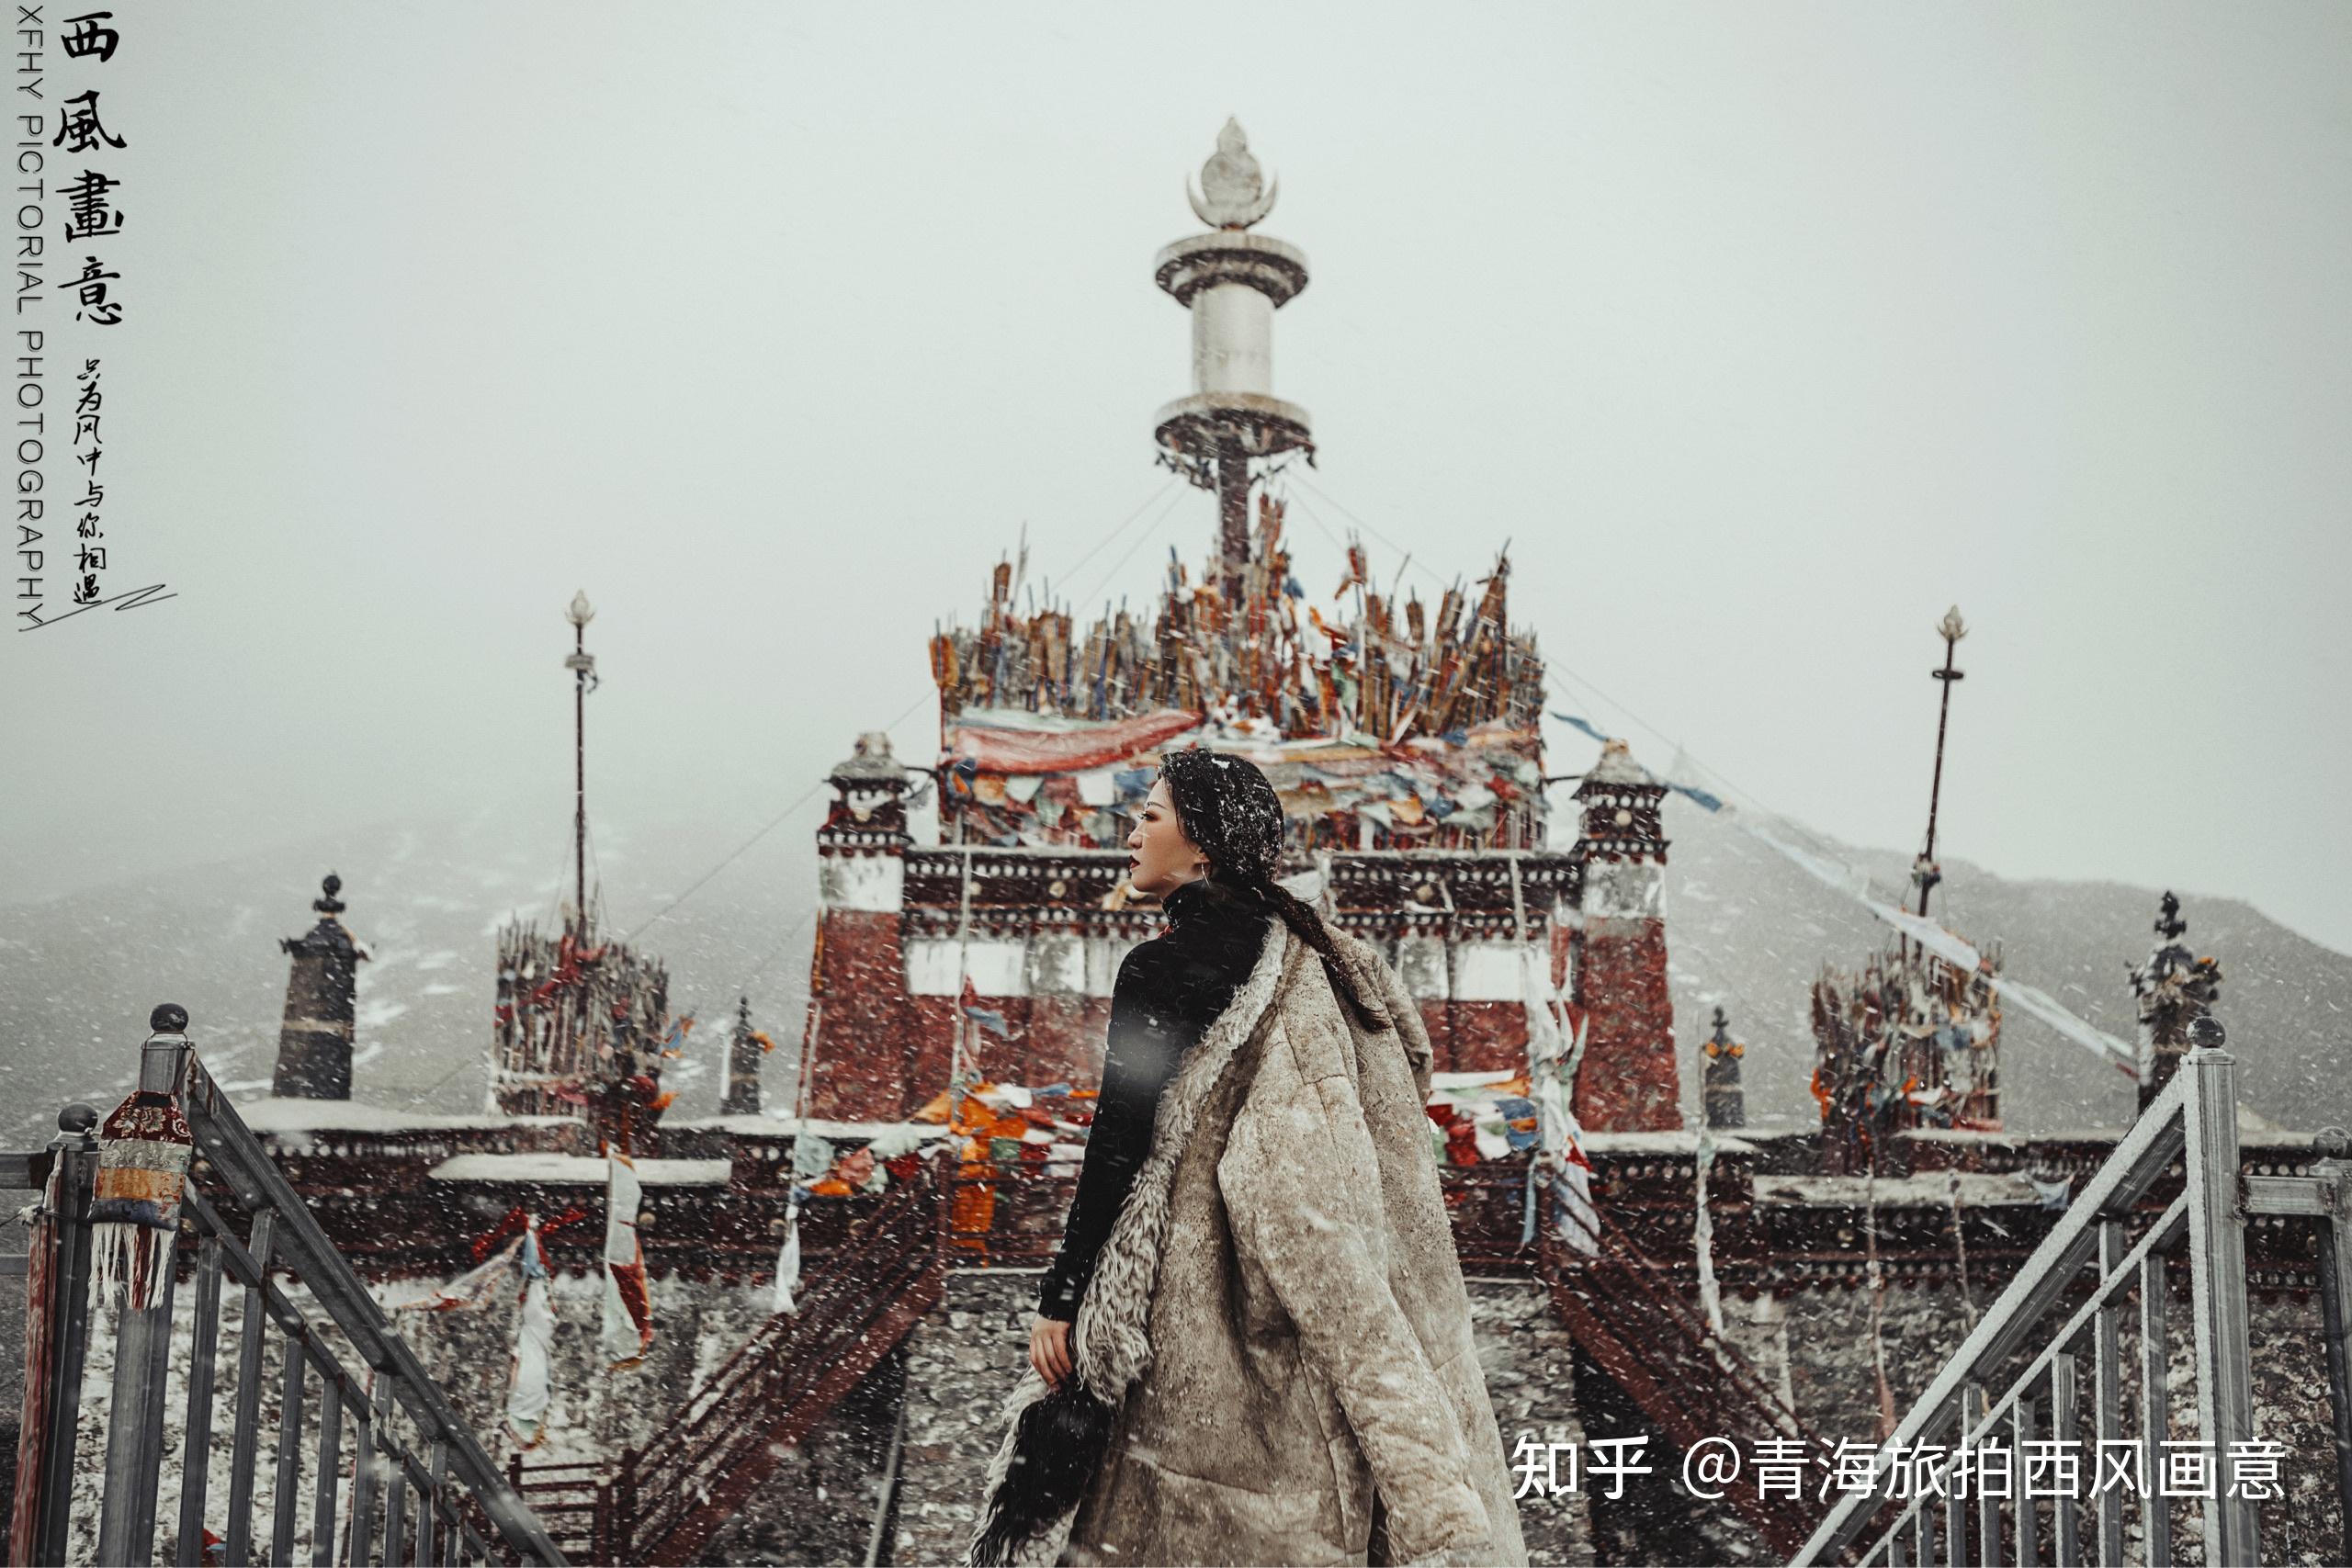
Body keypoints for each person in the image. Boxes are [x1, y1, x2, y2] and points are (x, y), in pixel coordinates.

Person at [968, 749, 1527, 1568]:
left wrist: (1066, 1295)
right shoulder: (1331, 957)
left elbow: (1120, 1143)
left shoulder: (1160, 967)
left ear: (1202, 845)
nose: (1130, 833)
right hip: (1323, 1292)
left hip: (1196, 1313)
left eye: (1150, 816)